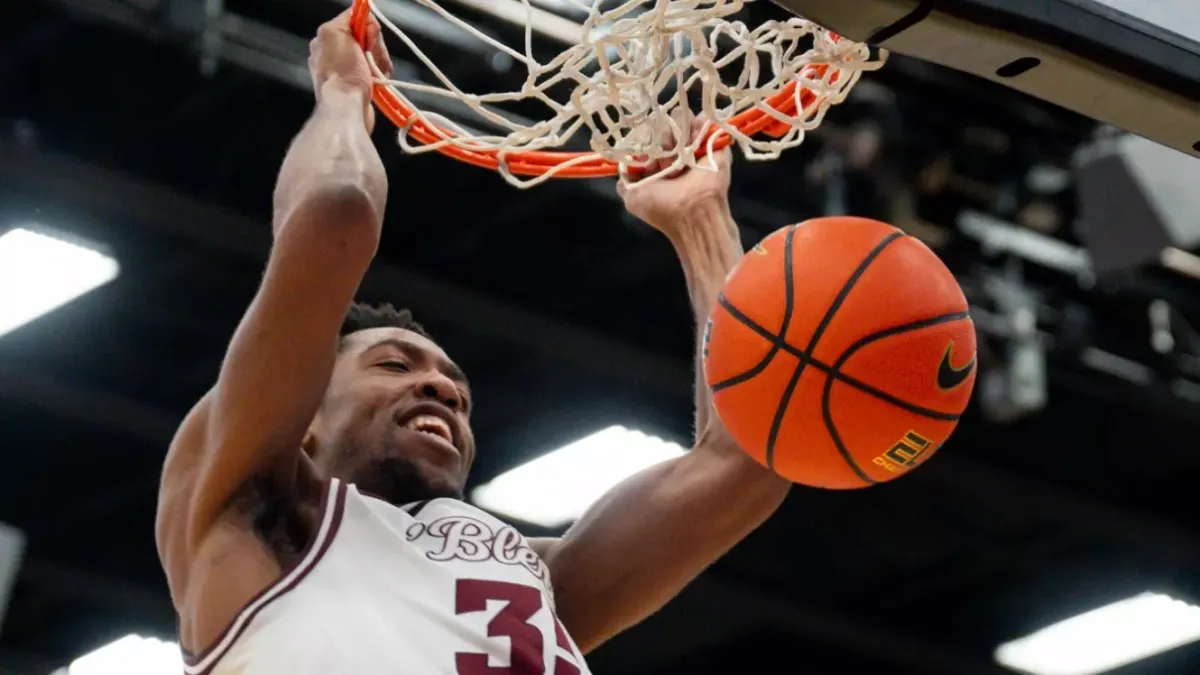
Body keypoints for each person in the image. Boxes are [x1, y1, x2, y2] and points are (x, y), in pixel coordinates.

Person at [155, 9, 791, 675]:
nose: (441, 388)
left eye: (457, 391)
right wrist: (344, 92)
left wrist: (699, 221)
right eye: (393, 363)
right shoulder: (252, 515)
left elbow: (750, 454)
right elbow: (336, 212)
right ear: (306, 413)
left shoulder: (532, 577)